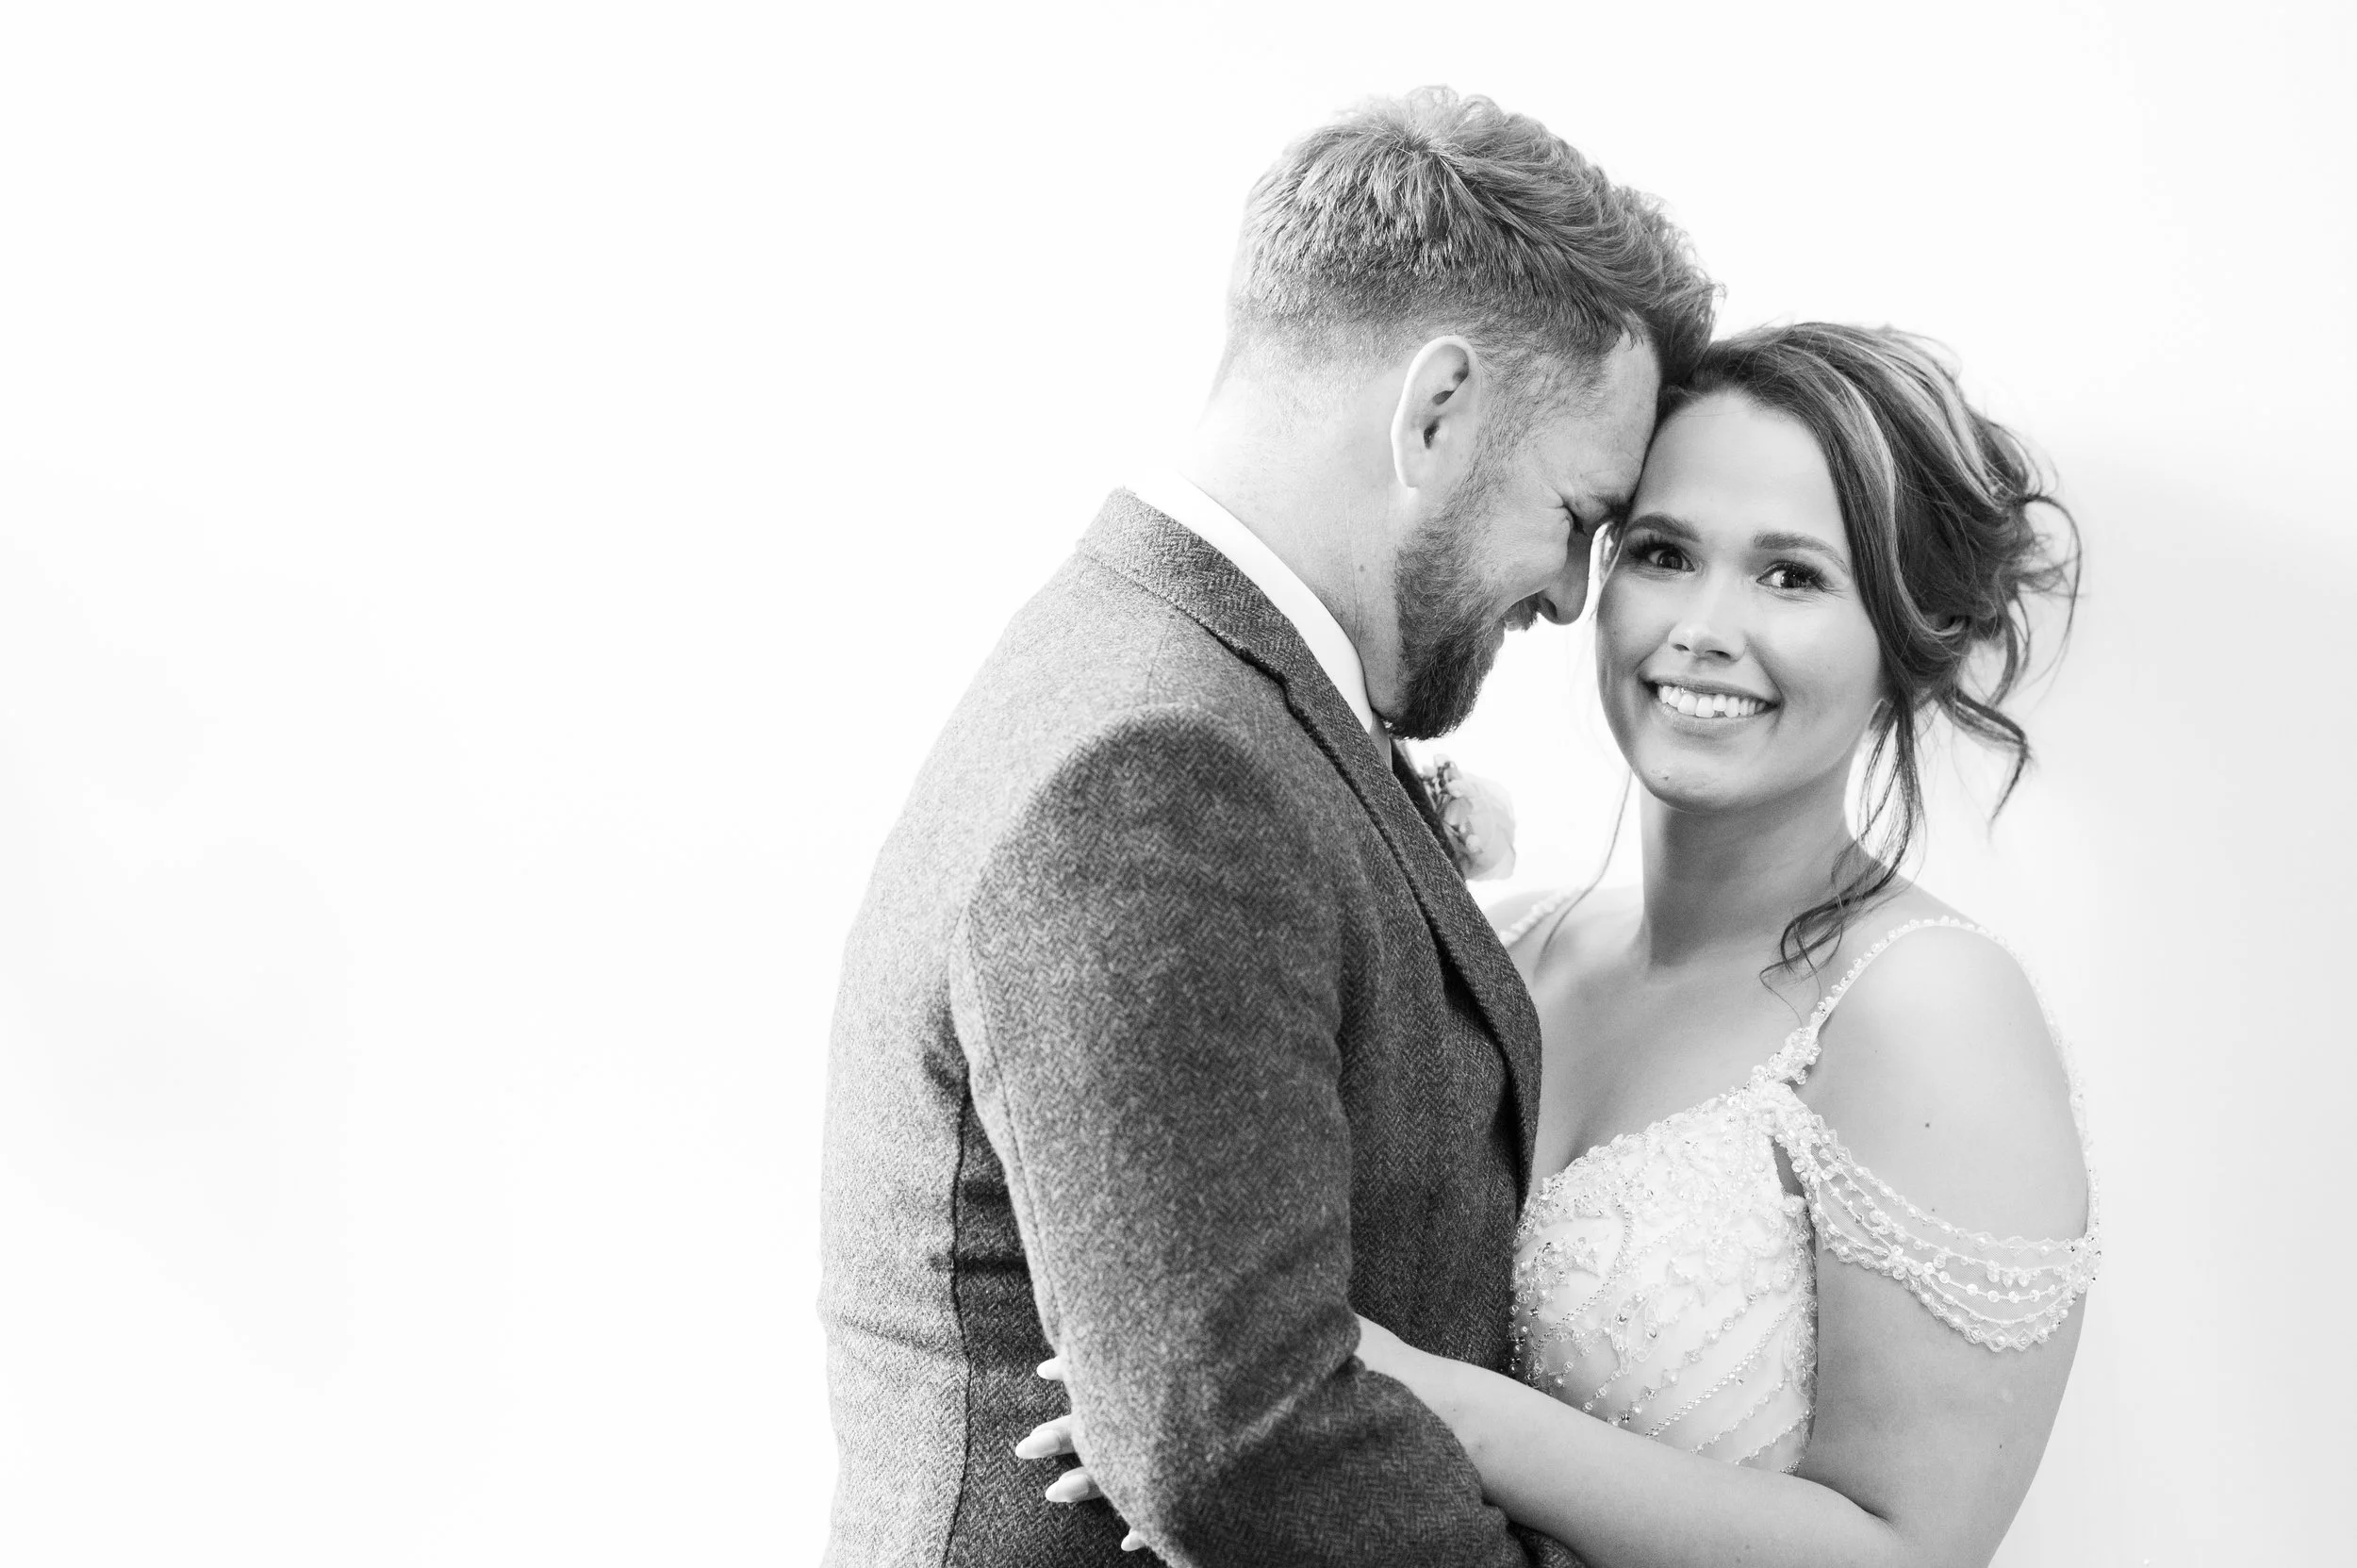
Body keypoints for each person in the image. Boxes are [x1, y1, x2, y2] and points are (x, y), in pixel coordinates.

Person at [1027, 322, 2097, 1565]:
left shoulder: (1927, 1008)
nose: (1703, 624)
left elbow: (1907, 1550)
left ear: (1906, 641)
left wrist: (1427, 1395)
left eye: (1792, 575)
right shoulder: (1509, 944)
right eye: (1662, 552)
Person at [816, 88, 1715, 1565]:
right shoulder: (1164, 761)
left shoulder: (1168, 670)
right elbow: (1244, 1444)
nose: (1570, 596)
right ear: (1437, 412)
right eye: (1575, 511)